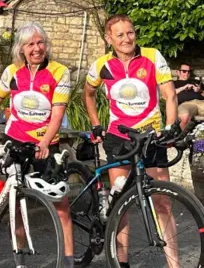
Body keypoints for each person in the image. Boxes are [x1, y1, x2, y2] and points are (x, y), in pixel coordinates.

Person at [0, 22, 74, 268]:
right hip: (15, 141)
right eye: (30, 44)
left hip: (44, 144)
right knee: (14, 203)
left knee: (60, 204)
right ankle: (19, 256)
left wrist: (44, 141)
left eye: (40, 42)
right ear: (21, 48)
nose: (36, 48)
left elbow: (57, 114)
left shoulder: (59, 72)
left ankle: (69, 260)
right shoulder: (12, 72)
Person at [83, 14, 178, 268]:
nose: (127, 38)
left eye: (131, 32)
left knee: (163, 202)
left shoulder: (152, 56)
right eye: (120, 34)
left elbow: (169, 95)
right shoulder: (101, 65)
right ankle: (121, 263)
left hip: (151, 136)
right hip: (119, 137)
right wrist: (95, 122)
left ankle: (174, 264)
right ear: (109, 38)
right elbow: (88, 93)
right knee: (121, 203)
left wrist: (169, 128)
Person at [174, 62, 204, 129]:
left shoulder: (195, 82)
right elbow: (171, 93)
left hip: (201, 102)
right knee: (184, 117)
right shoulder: (174, 83)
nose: (187, 73)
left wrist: (200, 91)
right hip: (186, 104)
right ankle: (184, 138)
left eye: (188, 71)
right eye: (184, 71)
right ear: (178, 72)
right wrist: (184, 87)